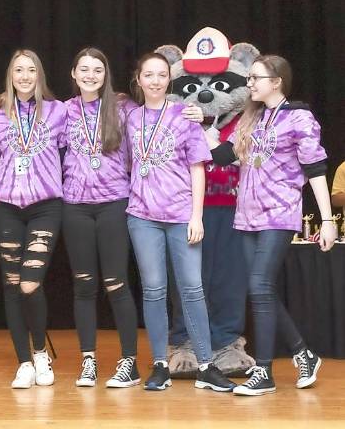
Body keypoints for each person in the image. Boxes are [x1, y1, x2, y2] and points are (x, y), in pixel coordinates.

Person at [207, 55, 337, 396]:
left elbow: (316, 170)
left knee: (260, 286)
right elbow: (227, 157)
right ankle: (303, 353)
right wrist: (205, 134)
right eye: (249, 78)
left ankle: (263, 372)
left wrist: (327, 220)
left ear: (276, 81)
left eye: (255, 78)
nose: (249, 84)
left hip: (279, 213)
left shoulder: (299, 118)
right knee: (261, 289)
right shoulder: (253, 118)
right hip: (247, 215)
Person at [124, 52, 236, 392]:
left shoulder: (185, 116)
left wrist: (196, 215)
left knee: (192, 289)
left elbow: (197, 167)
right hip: (142, 216)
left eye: (161, 75)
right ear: (139, 79)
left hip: (181, 216)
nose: (156, 81)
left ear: (168, 80)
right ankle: (160, 364)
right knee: (154, 291)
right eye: (149, 75)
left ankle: (205, 365)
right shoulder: (130, 118)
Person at [61, 47, 141, 388]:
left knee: (116, 283)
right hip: (74, 205)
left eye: (98, 69)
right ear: (74, 74)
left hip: (112, 203)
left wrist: (191, 115)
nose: (91, 75)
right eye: (84, 69)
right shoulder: (62, 111)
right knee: (84, 285)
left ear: (105, 75)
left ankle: (129, 362)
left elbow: (157, 119)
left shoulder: (124, 109)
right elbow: (22, 108)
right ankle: (88, 360)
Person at [0, 49, 66, 389]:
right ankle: (23, 362)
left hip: (45, 206)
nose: (24, 75)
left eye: (30, 69)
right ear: (10, 75)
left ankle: (39, 354)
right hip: (7, 206)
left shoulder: (58, 111)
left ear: (39, 75)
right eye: (18, 69)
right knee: (11, 285)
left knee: (29, 282)